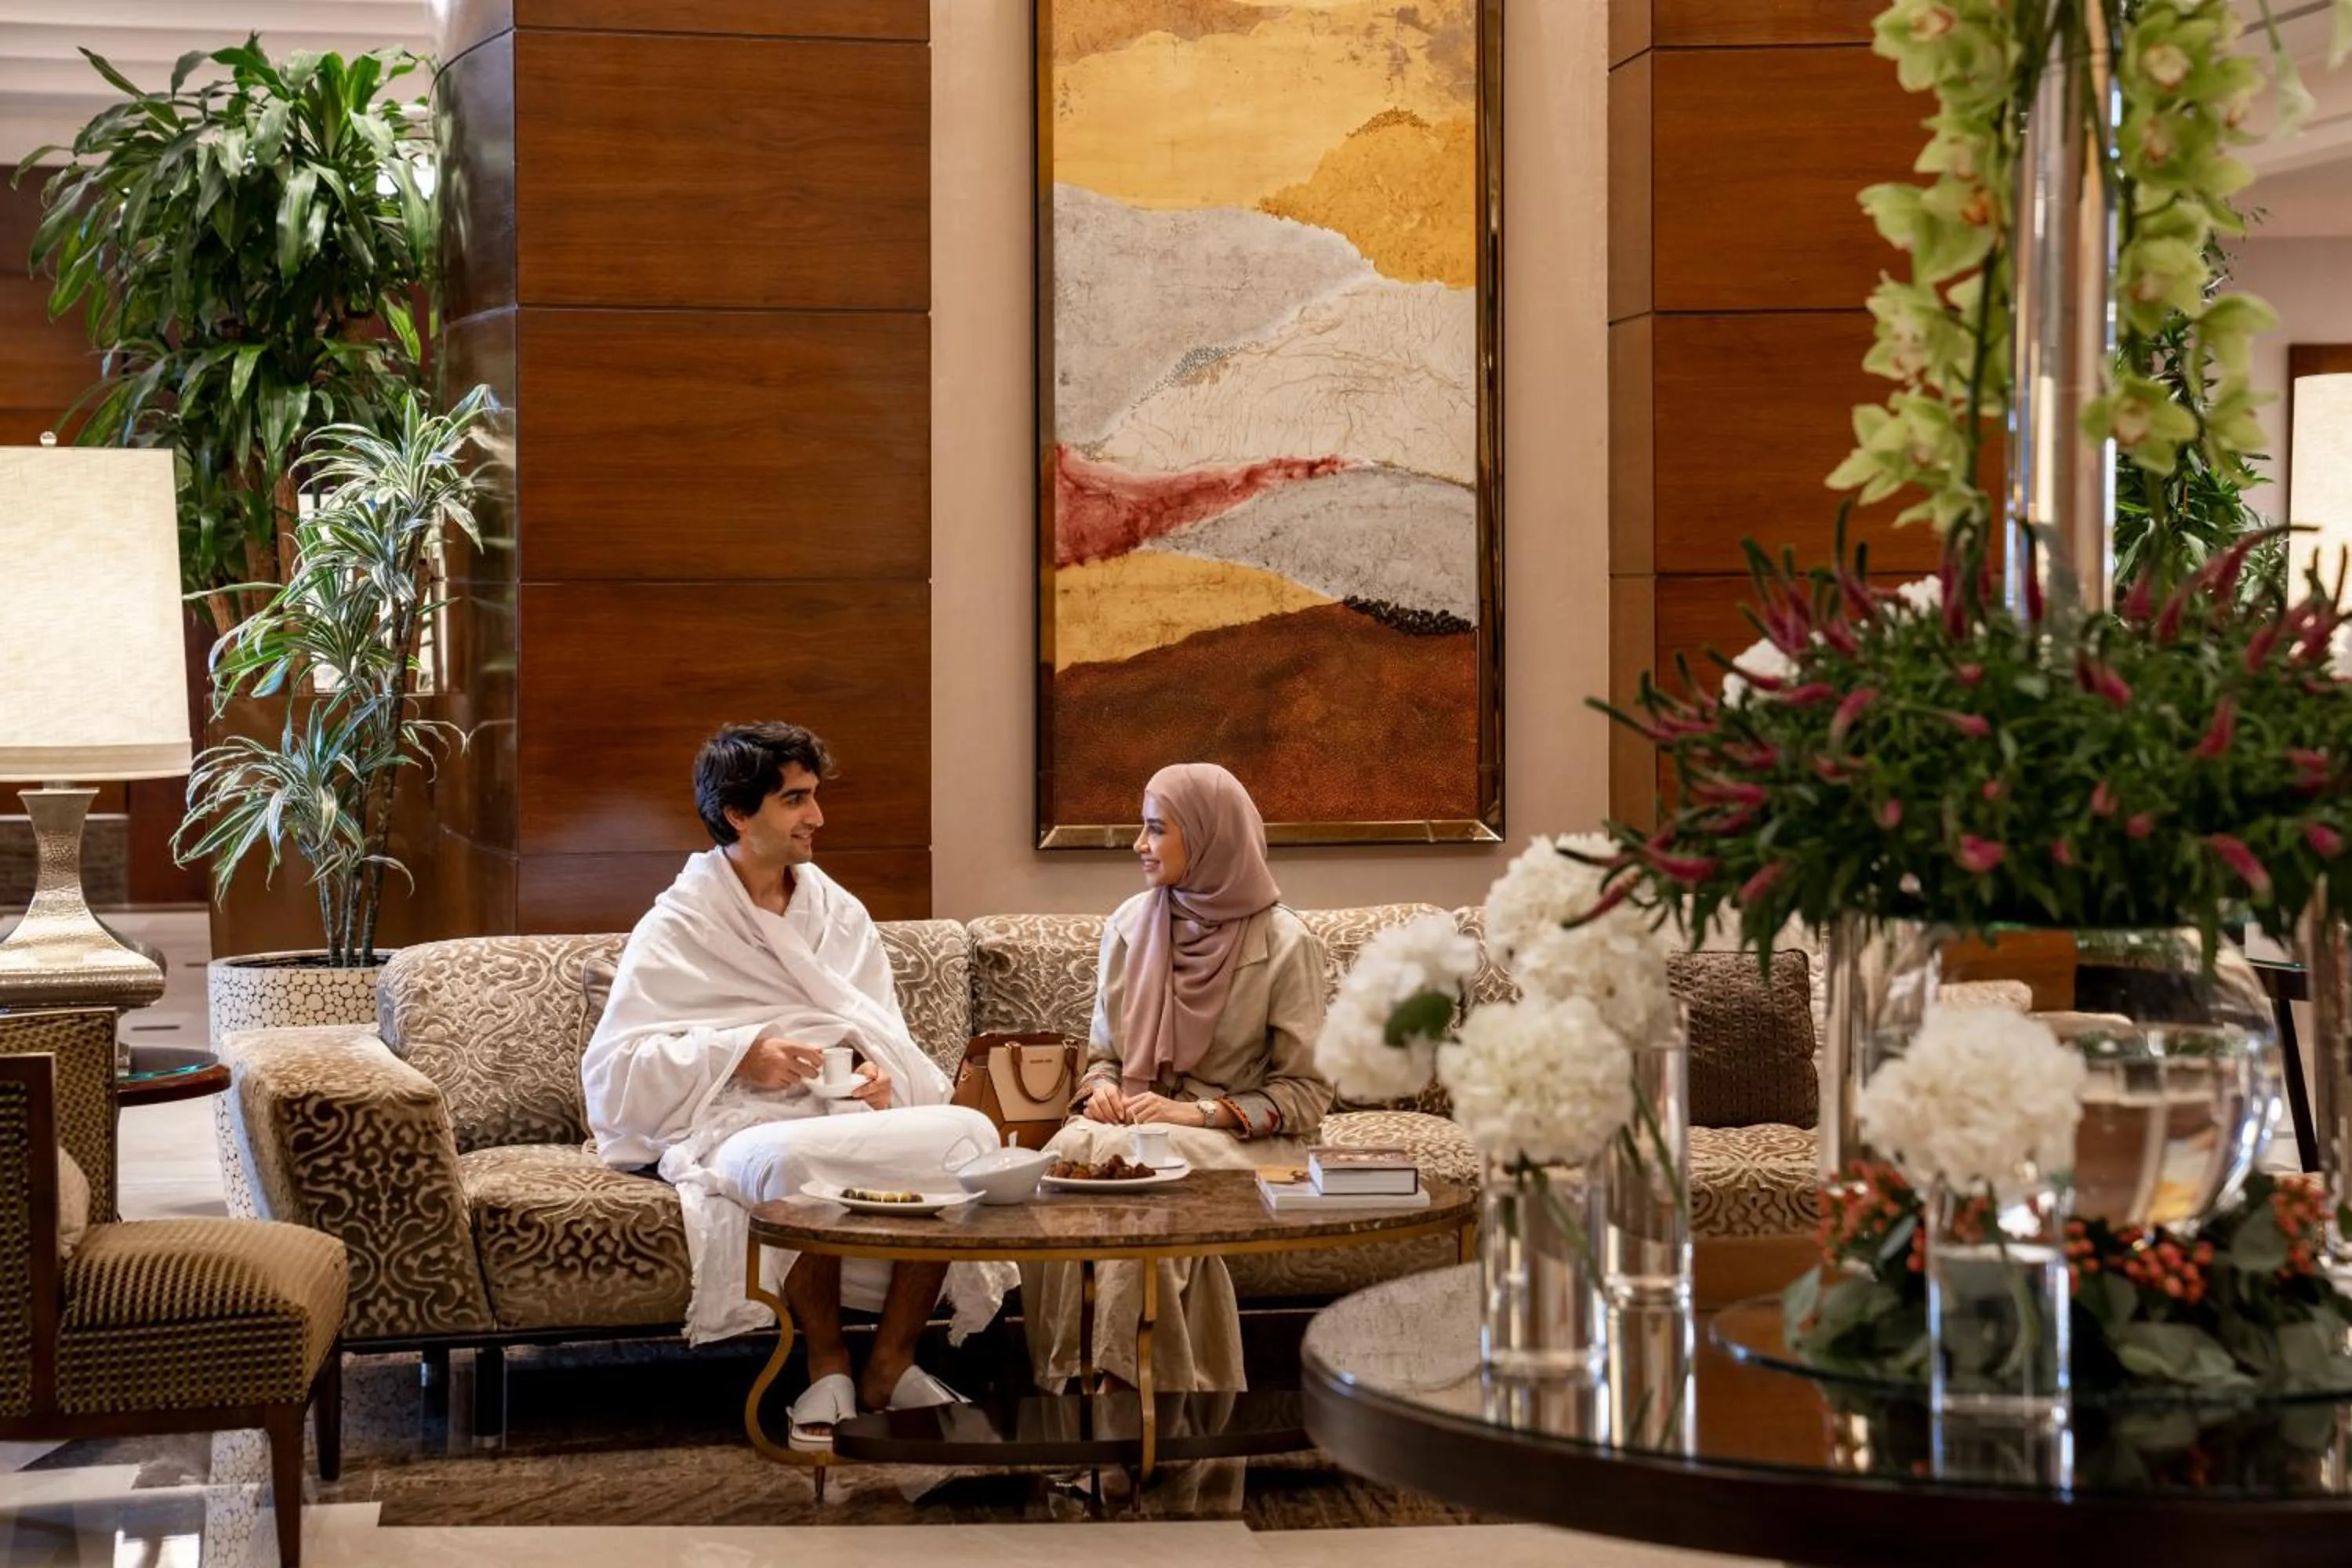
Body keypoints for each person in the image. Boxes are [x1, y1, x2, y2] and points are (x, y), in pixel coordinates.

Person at [581, 721, 1011, 1452]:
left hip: (842, 1113)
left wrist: (881, 1078)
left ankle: (891, 1364)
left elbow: (887, 1038)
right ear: (738, 815)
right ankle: (827, 1363)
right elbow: (613, 1074)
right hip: (742, 1123)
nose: (817, 817)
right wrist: (739, 1053)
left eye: (814, 797)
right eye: (795, 800)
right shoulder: (679, 924)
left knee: (968, 1137)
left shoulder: (838, 913)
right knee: (790, 1164)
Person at [1023, 762, 1334, 1392]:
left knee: (1149, 1172)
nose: (1139, 845)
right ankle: (1068, 1384)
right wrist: (1105, 1090)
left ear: (1209, 835)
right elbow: (1103, 1057)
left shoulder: (1285, 941)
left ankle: (1119, 1394)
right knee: (1062, 1158)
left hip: (1242, 1139)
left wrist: (1197, 1114)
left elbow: (1307, 1094)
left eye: (1156, 829)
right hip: (1140, 1127)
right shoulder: (1128, 927)